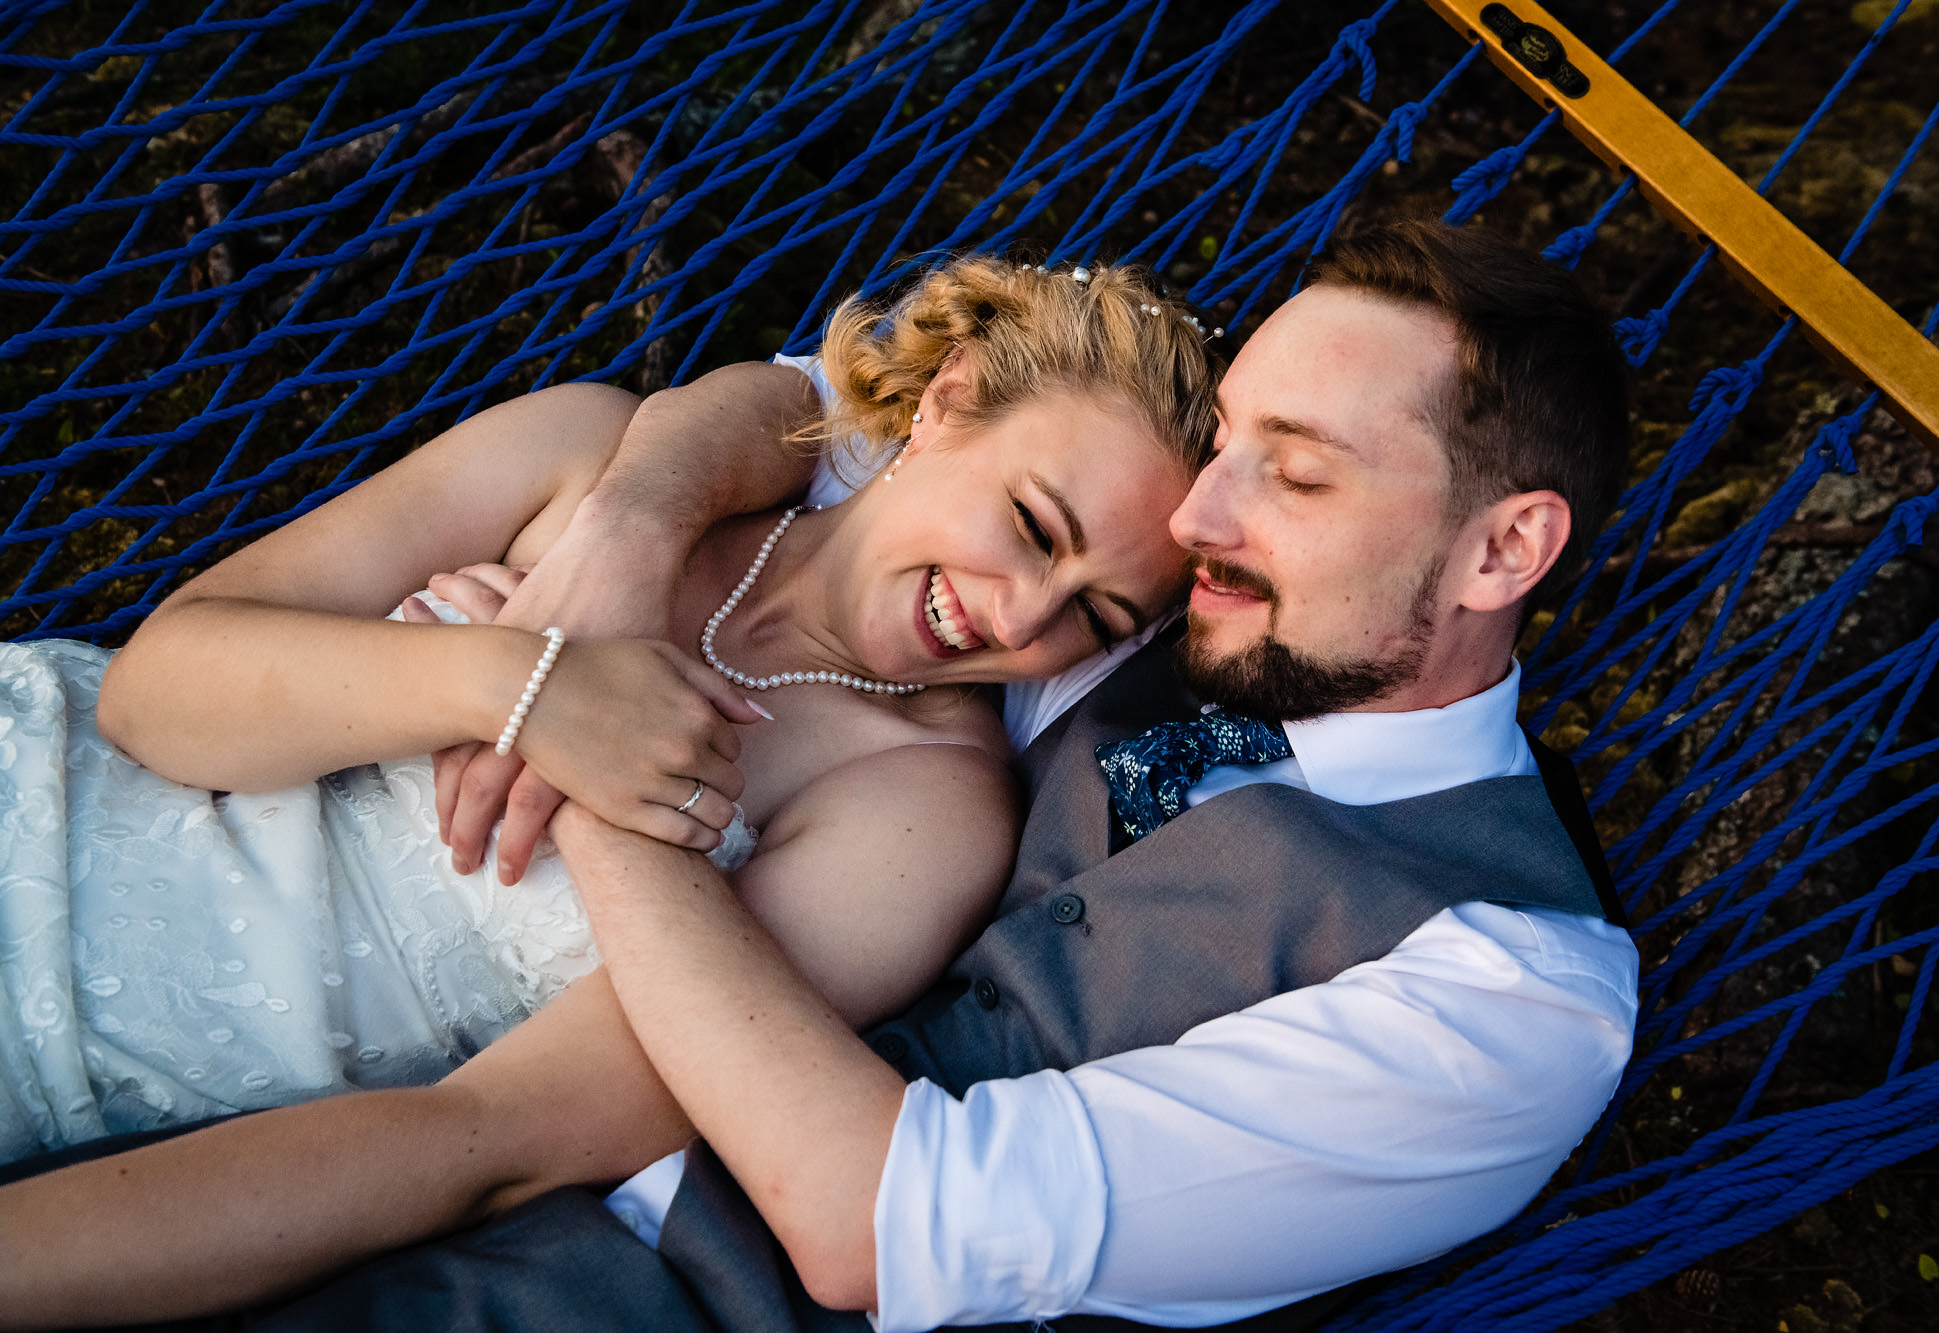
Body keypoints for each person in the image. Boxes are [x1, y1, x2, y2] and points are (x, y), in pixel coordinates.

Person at [0, 220, 1638, 1332]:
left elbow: (884, 1213)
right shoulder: (1172, 591)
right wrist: (623, 542)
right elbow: (829, 414)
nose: (1203, 520)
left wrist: (576, 714)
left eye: (1290, 472)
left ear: (1507, 544)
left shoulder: (1505, 989)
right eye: (1227, 455)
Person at [0, 253, 1216, 1170]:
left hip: (110, 1089)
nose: (1019, 621)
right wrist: (511, 680)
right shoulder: (590, 458)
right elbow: (150, 697)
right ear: (946, 401)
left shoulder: (918, 815)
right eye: (1033, 527)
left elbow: (496, 1140)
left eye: (1096, 620)